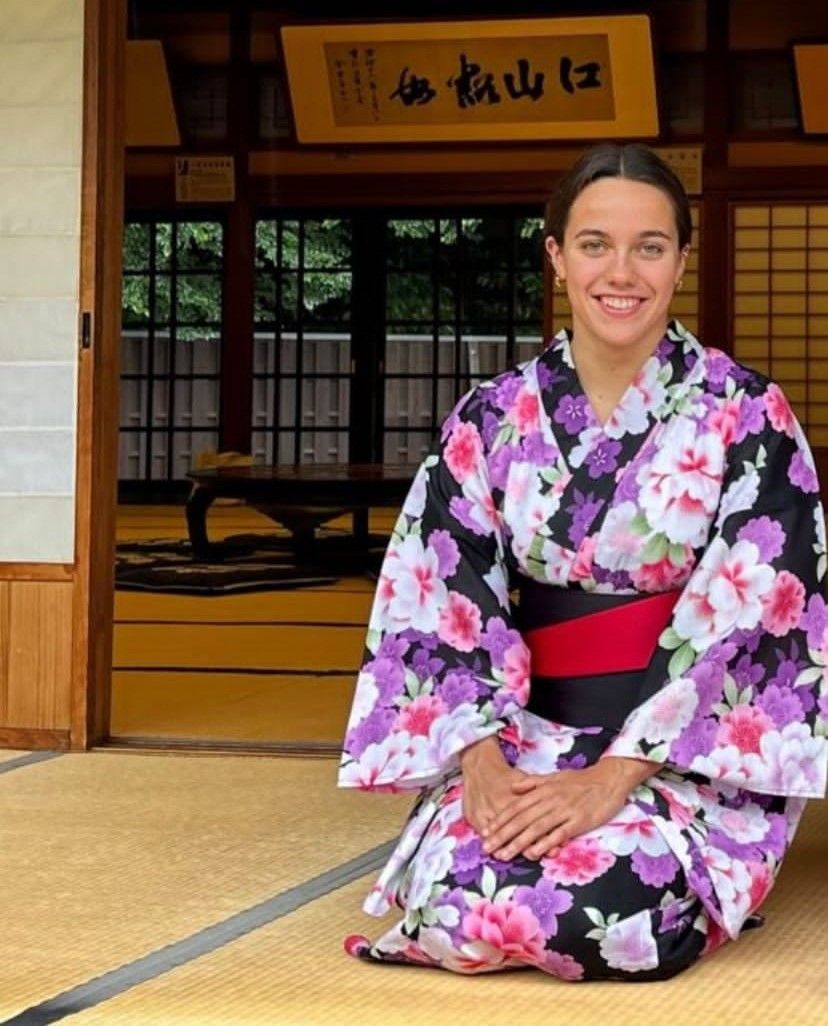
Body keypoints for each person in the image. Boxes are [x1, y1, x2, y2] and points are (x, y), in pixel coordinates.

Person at [337, 143, 827, 981]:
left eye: (650, 246)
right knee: (458, 897)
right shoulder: (492, 416)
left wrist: (614, 776)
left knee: (600, 905)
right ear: (558, 257)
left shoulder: (746, 414)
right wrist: (481, 760)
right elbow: (440, 590)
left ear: (681, 260)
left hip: (676, 755)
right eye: (595, 244)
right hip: (522, 735)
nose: (621, 272)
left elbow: (757, 619)